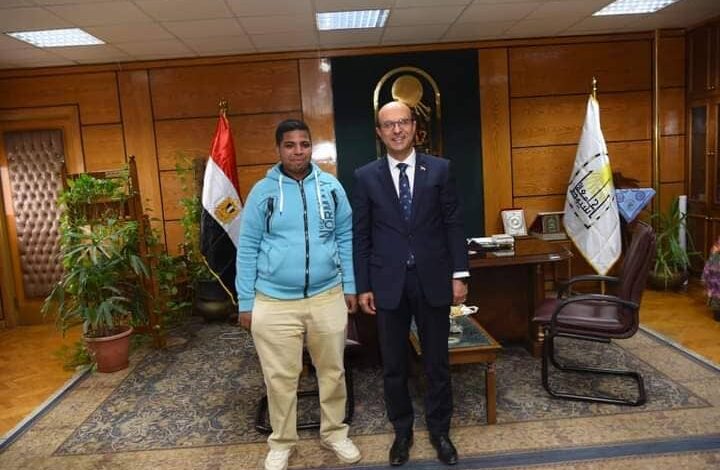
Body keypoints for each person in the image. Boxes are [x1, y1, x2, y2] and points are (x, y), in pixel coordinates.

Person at [235, 119, 361, 470]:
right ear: (278, 149)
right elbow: (247, 248)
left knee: (332, 372)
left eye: (304, 144)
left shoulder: (331, 187)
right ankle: (282, 442)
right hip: (273, 301)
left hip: (327, 295)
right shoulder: (263, 192)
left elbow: (345, 237)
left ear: (311, 148)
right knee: (280, 378)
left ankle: (335, 433)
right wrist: (245, 301)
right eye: (290, 145)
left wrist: (350, 285)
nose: (298, 151)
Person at [352, 101, 469, 466]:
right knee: (394, 365)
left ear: (414, 126)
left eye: (402, 122)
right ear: (379, 132)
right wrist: (363, 285)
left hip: (432, 279)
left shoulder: (440, 169)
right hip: (387, 283)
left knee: (437, 362)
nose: (397, 130)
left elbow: (453, 224)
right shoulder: (365, 176)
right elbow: (361, 235)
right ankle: (401, 432)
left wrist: (459, 274)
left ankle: (440, 431)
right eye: (389, 125)